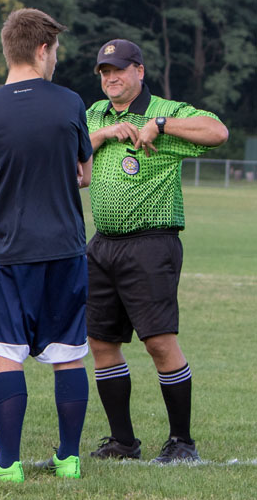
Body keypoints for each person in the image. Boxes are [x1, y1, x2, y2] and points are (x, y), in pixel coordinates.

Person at [0, 9, 92, 483]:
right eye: (55, 50)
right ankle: (68, 459)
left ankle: (8, 465)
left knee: (6, 352)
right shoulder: (72, 103)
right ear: (42, 49)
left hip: (13, 251)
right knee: (69, 352)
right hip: (67, 248)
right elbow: (85, 174)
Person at [85, 39, 227, 463]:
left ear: (139, 71)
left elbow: (217, 131)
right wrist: (106, 133)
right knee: (101, 342)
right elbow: (74, 162)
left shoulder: (167, 109)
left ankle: (182, 442)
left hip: (151, 243)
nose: (111, 78)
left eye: (119, 70)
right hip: (102, 245)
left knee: (159, 343)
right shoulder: (96, 113)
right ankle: (123, 442)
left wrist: (160, 125)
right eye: (104, 72)